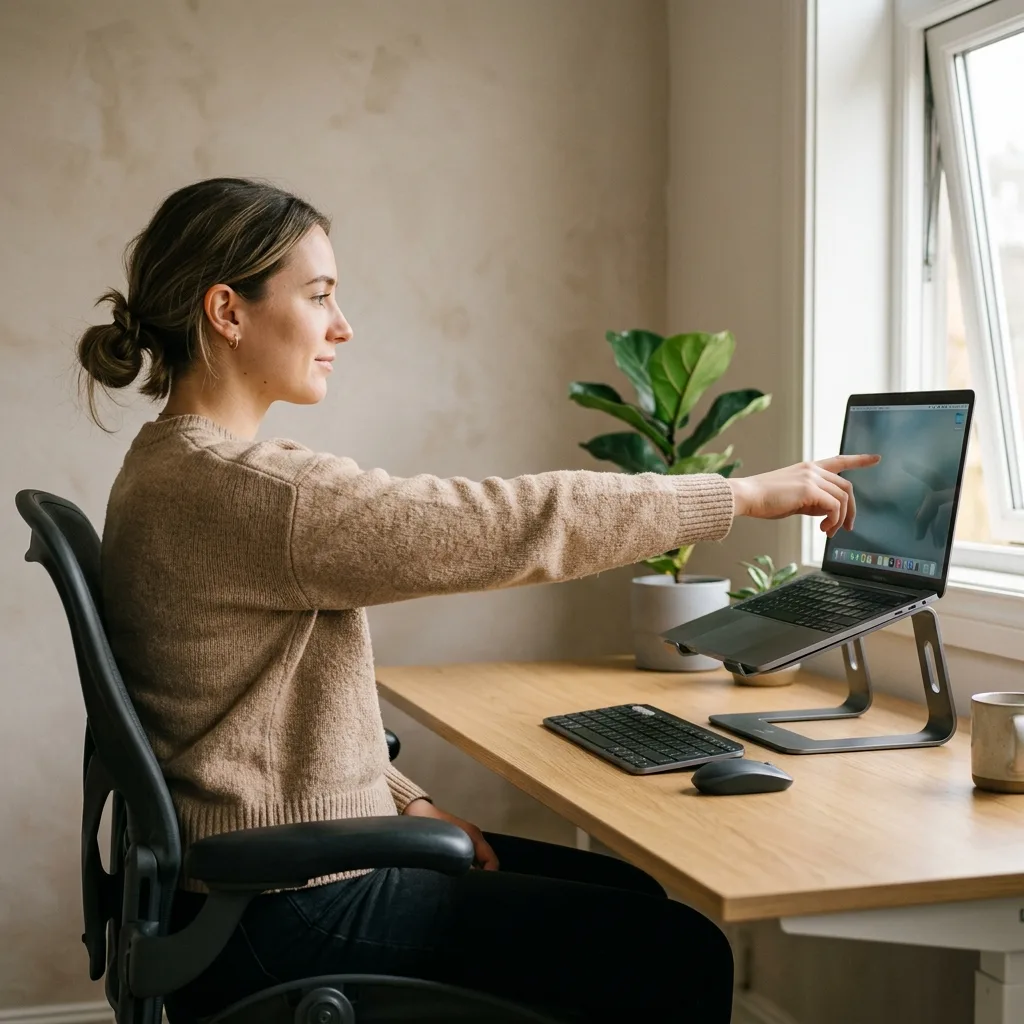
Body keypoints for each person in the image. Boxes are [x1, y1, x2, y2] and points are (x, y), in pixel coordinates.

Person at [76, 177, 878, 1024]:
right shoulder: (251, 491)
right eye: (319, 297)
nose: (342, 326)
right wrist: (739, 496)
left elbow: (249, 722)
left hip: (249, 884)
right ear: (227, 312)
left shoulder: (169, 469)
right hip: (288, 906)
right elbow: (501, 522)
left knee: (626, 891)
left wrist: (404, 797)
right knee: (677, 951)